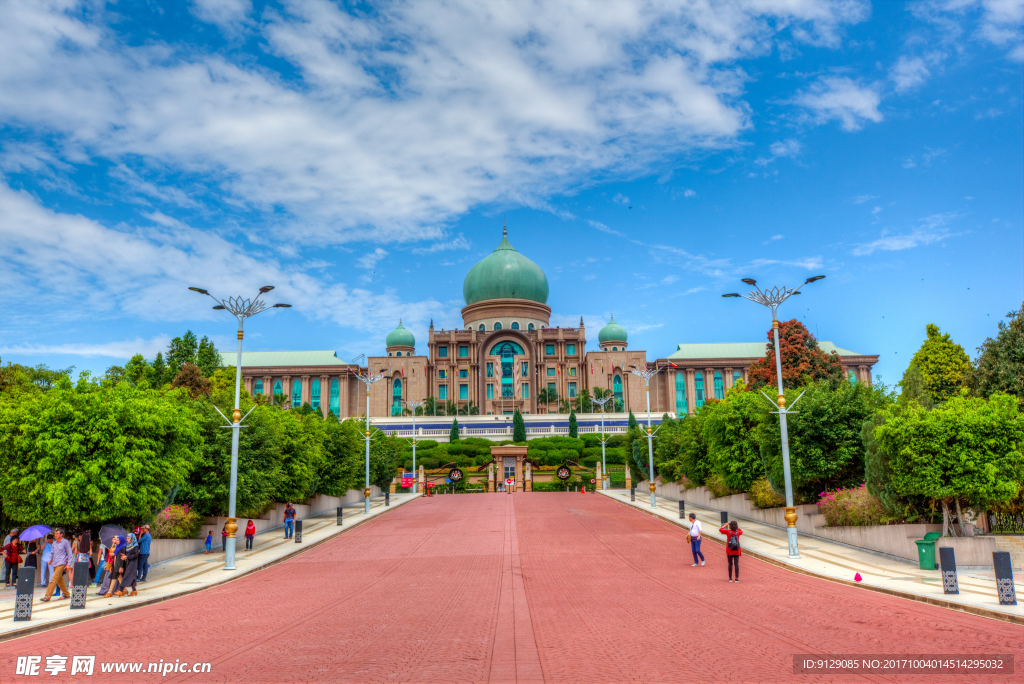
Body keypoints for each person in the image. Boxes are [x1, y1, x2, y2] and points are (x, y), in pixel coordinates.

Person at [40, 528, 73, 602]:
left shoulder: (65, 542)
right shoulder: (54, 543)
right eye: (55, 533)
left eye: (57, 533)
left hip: (62, 563)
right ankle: (66, 594)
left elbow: (70, 554)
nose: (55, 535)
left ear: (61, 534)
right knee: (59, 580)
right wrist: (50, 559)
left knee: (53, 579)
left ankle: (47, 596)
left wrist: (69, 564)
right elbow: (52, 552)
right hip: (55, 563)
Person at [109, 533, 140, 597]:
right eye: (127, 538)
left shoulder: (135, 546)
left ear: (132, 539)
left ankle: (120, 590)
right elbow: (128, 554)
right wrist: (125, 556)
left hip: (133, 563)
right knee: (132, 577)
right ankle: (134, 590)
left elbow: (136, 555)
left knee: (126, 576)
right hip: (128, 562)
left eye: (128, 538)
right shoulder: (128, 545)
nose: (127, 539)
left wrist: (127, 557)